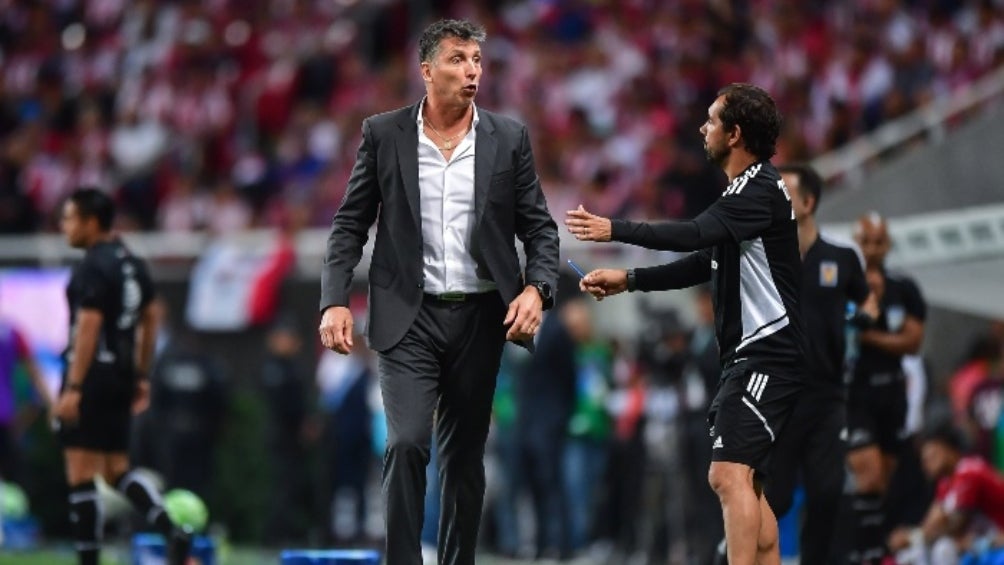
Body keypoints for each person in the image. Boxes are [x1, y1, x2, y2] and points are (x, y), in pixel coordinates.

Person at [317, 19, 560, 565]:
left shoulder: (509, 137)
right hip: (409, 316)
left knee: (464, 458)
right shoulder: (384, 134)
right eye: (457, 59)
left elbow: (540, 230)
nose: (472, 70)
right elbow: (349, 224)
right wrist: (333, 299)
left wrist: (537, 289)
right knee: (406, 442)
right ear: (426, 71)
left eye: (476, 60)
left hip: (480, 317)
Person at [566, 83, 806, 565]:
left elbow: (693, 234)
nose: (702, 128)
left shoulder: (757, 189)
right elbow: (704, 261)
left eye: (712, 120)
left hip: (766, 355)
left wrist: (617, 230)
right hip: (753, 358)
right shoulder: (745, 191)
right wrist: (628, 279)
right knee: (749, 484)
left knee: (727, 475)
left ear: (734, 134)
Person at [53, 188, 191, 565]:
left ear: (91, 222)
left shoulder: (92, 266)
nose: (64, 226)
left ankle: (89, 560)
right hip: (121, 377)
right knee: (116, 470)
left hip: (90, 377)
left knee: (81, 471)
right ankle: (171, 529)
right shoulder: (131, 262)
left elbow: (88, 326)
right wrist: (141, 375)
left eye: (70, 218)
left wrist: (74, 387)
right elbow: (152, 317)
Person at [755, 163, 877, 565]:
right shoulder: (764, 257)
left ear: (808, 203)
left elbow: (867, 301)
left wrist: (865, 316)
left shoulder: (841, 258)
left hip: (827, 396)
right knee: (775, 496)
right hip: (780, 396)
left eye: (785, 193)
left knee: (826, 492)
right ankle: (735, 552)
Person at [846, 213, 927, 564]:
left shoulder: (904, 289)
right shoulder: (842, 286)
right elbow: (835, 332)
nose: (872, 249)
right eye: (866, 241)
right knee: (869, 474)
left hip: (892, 394)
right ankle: (862, 553)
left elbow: (913, 342)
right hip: (855, 394)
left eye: (879, 241)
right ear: (856, 243)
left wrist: (870, 337)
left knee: (883, 482)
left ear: (888, 244)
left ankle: (874, 551)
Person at [887, 424, 1004, 563]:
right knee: (913, 552)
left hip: (998, 544)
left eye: (931, 456)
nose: (925, 465)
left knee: (943, 548)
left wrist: (912, 537)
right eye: (923, 460)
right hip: (984, 544)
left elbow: (955, 526)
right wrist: (913, 535)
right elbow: (929, 524)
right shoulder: (945, 483)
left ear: (948, 449)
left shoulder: (970, 471)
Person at [0, 317, 54, 481]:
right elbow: (36, 374)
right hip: (7, 417)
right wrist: (51, 406)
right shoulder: (11, 332)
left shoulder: (12, 333)